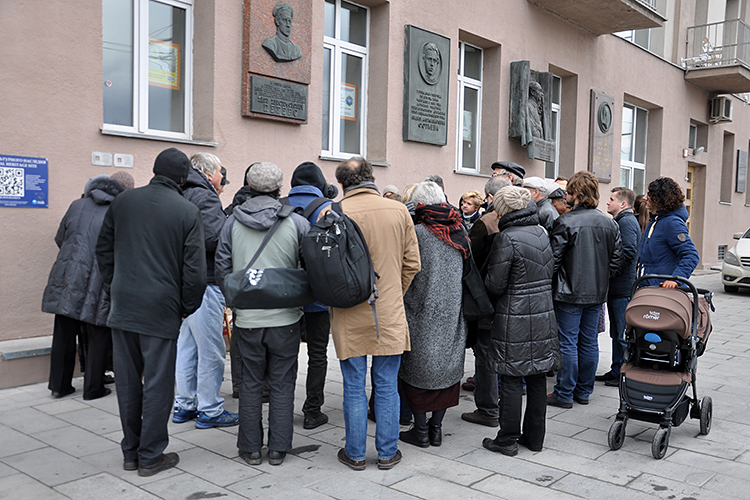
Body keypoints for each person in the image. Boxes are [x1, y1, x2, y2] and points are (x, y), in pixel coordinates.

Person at [96, 147, 207, 476]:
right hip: (162, 307)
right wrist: (186, 307)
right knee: (158, 383)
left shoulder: (123, 202)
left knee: (128, 382)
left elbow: (103, 250)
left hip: (124, 303)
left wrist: (113, 285)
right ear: (183, 178)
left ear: (155, 171)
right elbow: (195, 273)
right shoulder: (187, 211)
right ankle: (151, 455)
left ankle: (131, 452)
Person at [215, 162, 310, 467]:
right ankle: (279, 449)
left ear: (249, 185)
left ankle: (251, 448)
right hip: (286, 318)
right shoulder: (296, 223)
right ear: (279, 187)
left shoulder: (231, 222)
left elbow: (222, 269)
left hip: (247, 319)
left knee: (251, 383)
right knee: (283, 382)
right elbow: (310, 268)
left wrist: (236, 300)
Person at [331, 157, 420, 472]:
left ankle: (354, 453)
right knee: (386, 383)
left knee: (353, 384)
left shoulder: (335, 212)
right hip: (389, 309)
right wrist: (395, 291)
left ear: (342, 184)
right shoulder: (398, 211)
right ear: (371, 177)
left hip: (346, 310)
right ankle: (387, 452)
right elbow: (412, 263)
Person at [481, 186, 561, 456]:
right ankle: (535, 438)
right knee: (537, 376)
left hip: (514, 314)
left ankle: (506, 440)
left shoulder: (507, 238)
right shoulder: (541, 232)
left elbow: (495, 284)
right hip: (542, 311)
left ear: (503, 209)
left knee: (512, 377)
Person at [42, 174, 127, 400]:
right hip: (99, 278)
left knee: (63, 332)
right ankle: (93, 388)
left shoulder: (76, 205)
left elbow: (61, 237)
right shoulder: (118, 211)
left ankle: (58, 386)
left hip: (68, 275)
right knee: (98, 332)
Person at [399, 181, 468, 448]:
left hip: (420, 309)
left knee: (417, 371)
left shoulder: (416, 232)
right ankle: (436, 429)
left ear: (419, 206)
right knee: (446, 372)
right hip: (452, 311)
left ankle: (420, 431)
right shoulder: (459, 230)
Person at [172, 153, 238, 429]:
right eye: (221, 172)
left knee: (187, 345)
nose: (223, 177)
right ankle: (210, 409)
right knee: (211, 348)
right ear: (210, 173)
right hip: (206, 281)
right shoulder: (206, 196)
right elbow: (213, 237)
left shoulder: (180, 193)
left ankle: (185, 403)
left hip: (183, 280)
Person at [547, 171, 623, 409]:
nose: (565, 195)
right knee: (588, 341)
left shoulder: (565, 222)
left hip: (569, 292)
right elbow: (617, 260)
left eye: (568, 191)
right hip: (596, 292)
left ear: (577, 194)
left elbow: (552, 261)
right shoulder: (609, 223)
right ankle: (583, 391)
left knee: (568, 342)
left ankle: (565, 392)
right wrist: (600, 278)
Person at [285, 161, 335, 430]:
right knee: (317, 354)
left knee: (286, 354)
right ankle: (312, 411)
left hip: (284, 296)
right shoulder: (327, 208)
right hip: (318, 297)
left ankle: (281, 408)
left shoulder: (280, 206)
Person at [461, 176, 511, 428]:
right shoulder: (529, 222)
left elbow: (472, 262)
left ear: (490, 198)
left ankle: (488, 408)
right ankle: (498, 405)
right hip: (515, 301)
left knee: (485, 354)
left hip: (488, 300)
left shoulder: (486, 223)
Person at [596, 187, 641, 387]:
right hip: (618, 289)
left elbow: (629, 252)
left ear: (623, 204)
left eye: (612, 199)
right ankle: (616, 370)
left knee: (622, 334)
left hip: (622, 289)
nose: (608, 202)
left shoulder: (627, 222)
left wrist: (611, 270)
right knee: (617, 333)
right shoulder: (622, 221)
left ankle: (623, 374)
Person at [637, 177, 700, 288]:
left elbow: (691, 255)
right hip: (649, 288)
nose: (644, 198)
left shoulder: (672, 223)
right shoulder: (656, 220)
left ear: (659, 199)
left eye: (648, 195)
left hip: (662, 292)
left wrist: (676, 279)